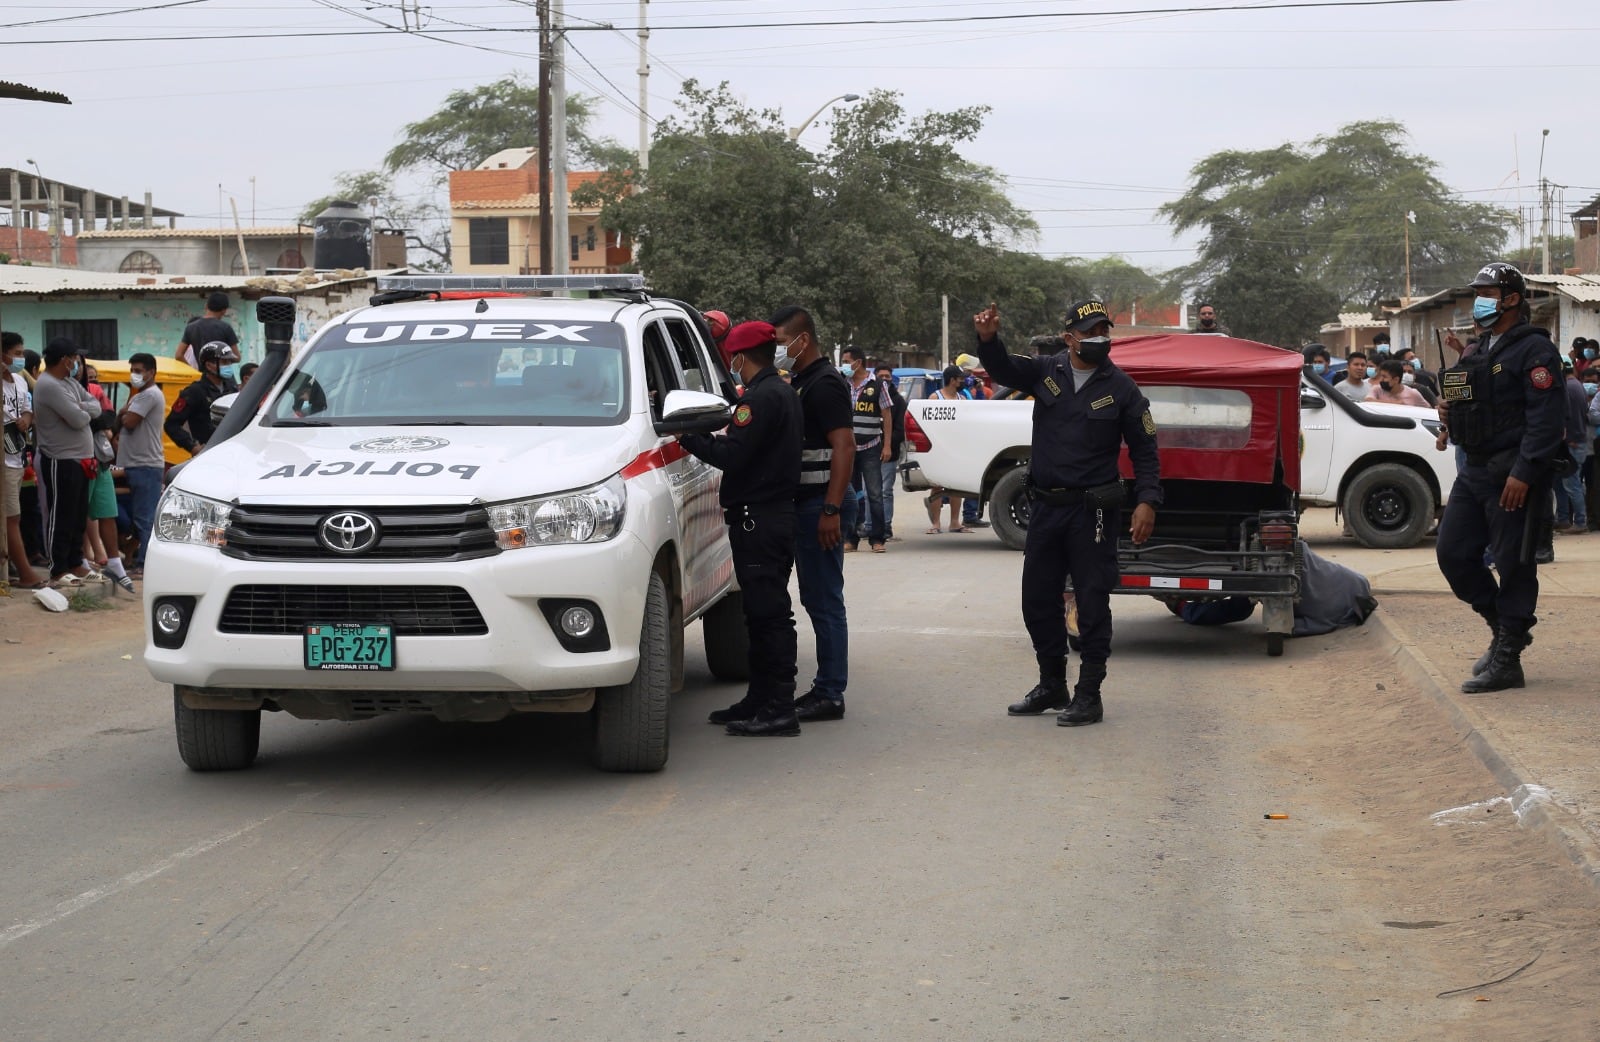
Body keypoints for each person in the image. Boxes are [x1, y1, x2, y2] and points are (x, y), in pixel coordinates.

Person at [975, 298, 1161, 727]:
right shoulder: (1046, 371)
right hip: (1046, 509)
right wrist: (988, 339)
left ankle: (1089, 694)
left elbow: (1146, 449)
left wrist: (1148, 500)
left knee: (1091, 602)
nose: (1100, 338)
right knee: (1037, 599)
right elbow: (1002, 369)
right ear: (1069, 338)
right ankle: (1052, 684)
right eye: (1091, 331)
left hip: (1092, 514)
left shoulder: (1122, 389)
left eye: (1104, 331)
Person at [1435, 262, 1565, 694]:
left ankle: (1508, 659)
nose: (1479, 301)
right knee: (1453, 553)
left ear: (1511, 299)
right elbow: (1467, 399)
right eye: (1478, 293)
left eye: (1487, 293)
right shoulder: (1478, 348)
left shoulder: (1535, 350)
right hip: (1473, 470)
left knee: (1514, 564)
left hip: (1512, 475)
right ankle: (1503, 627)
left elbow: (1546, 420)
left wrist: (1524, 473)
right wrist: (1447, 412)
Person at [679, 321, 805, 737]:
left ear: (738, 358)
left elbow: (732, 455)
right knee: (759, 613)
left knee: (769, 616)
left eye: (731, 357)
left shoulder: (759, 399)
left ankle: (779, 708)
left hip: (760, 519)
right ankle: (761, 698)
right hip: (769, 516)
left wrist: (687, 436)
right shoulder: (780, 392)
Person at [772, 305, 857, 723]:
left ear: (802, 340)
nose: (777, 349)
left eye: (780, 341)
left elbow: (844, 446)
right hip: (809, 503)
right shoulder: (804, 381)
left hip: (820, 503)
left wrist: (830, 508)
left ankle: (830, 693)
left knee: (824, 601)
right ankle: (826, 687)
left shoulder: (824, 384)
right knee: (816, 598)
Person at [32, 338, 104, 586]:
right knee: (61, 515)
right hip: (60, 459)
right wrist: (81, 411)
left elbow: (96, 407)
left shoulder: (69, 383)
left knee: (77, 515)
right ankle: (58, 568)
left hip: (81, 459)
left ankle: (76, 562)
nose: (76, 363)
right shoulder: (49, 385)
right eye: (74, 358)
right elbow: (78, 419)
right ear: (64, 360)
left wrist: (80, 408)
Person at [115, 352, 166, 578]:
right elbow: (122, 419)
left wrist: (124, 413)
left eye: (138, 371)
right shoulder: (140, 396)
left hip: (145, 464)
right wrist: (123, 413)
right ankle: (135, 558)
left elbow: (129, 422)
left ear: (151, 372)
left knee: (145, 519)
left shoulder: (148, 395)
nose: (134, 375)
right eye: (132, 370)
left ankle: (144, 564)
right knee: (138, 518)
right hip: (135, 464)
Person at [3, 333, 46, 590]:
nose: (21, 358)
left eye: (21, 353)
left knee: (12, 516)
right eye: (16, 353)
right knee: (12, 517)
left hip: (17, 456)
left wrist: (26, 420)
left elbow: (29, 409)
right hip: (4, 462)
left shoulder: (20, 381)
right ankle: (26, 573)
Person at [841, 345, 892, 553]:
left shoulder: (878, 385)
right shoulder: (842, 383)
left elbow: (887, 416)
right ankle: (850, 538)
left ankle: (877, 539)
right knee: (850, 495)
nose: (844, 365)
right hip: (848, 449)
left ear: (858, 362)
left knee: (875, 494)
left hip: (871, 447)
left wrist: (887, 445)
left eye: (846, 361)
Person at [165, 341, 239, 456]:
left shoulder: (232, 389)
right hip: (207, 454)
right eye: (224, 362)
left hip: (232, 451)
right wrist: (192, 447)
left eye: (229, 362)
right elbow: (171, 425)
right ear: (209, 365)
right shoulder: (195, 391)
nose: (228, 366)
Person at [924, 365, 971, 534]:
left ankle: (954, 522)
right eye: (961, 378)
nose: (963, 381)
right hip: (938, 448)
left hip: (956, 449)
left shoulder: (962, 399)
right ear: (952, 380)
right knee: (937, 486)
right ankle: (936, 524)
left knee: (956, 486)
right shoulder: (934, 399)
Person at [1555, 360, 1589, 534]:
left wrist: (1570, 438)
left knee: (1572, 484)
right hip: (1577, 440)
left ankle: (1580, 521)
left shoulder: (1568, 388)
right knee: (1563, 482)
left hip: (1573, 442)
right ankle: (1562, 519)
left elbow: (1572, 416)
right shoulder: (1577, 385)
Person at [875, 362, 907, 541]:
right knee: (869, 492)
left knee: (885, 491)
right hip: (868, 452)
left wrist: (885, 445)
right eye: (881, 376)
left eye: (887, 376)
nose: (884, 379)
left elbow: (900, 430)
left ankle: (886, 527)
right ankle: (870, 526)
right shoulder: (869, 396)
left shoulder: (898, 401)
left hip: (890, 453)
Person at [176, 292, 238, 370]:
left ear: (206, 306)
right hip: (221, 375)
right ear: (224, 311)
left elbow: (178, 355)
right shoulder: (225, 327)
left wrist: (193, 370)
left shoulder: (191, 327)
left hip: (202, 375)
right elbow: (237, 357)